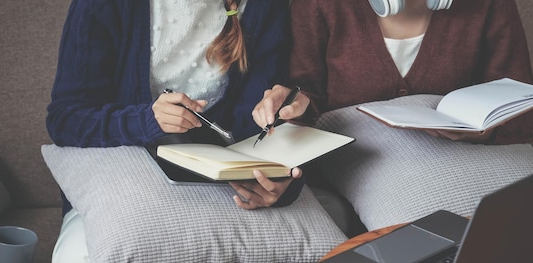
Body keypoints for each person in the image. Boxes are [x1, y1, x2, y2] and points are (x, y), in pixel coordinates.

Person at [46, 0, 303, 261]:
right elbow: (65, 119)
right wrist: (146, 120)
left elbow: (254, 130)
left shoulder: (264, 7)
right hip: (120, 185)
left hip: (215, 192)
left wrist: (279, 182)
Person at [253, 0, 533, 145]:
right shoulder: (319, 5)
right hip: (359, 165)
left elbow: (521, 108)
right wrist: (297, 104)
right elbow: (308, 97)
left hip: (470, 160)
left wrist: (482, 134)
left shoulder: (489, 5)